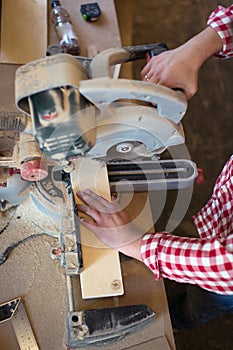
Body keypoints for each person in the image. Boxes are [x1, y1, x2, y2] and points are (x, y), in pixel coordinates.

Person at [76, 5, 233, 330]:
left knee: (206, 300)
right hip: (224, 222)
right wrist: (199, 46)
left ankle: (181, 317)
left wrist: (134, 244)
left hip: (223, 280)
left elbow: (226, 266)